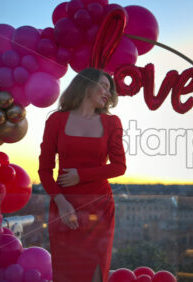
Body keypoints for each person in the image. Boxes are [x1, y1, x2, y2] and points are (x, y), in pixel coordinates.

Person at [38, 68, 126, 282]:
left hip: (100, 208)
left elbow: (119, 166)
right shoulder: (56, 120)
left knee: (96, 274)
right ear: (86, 84)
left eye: (110, 89)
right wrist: (61, 202)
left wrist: (81, 175)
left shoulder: (112, 123)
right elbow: (44, 170)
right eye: (104, 85)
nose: (108, 92)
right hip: (63, 206)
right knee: (66, 274)